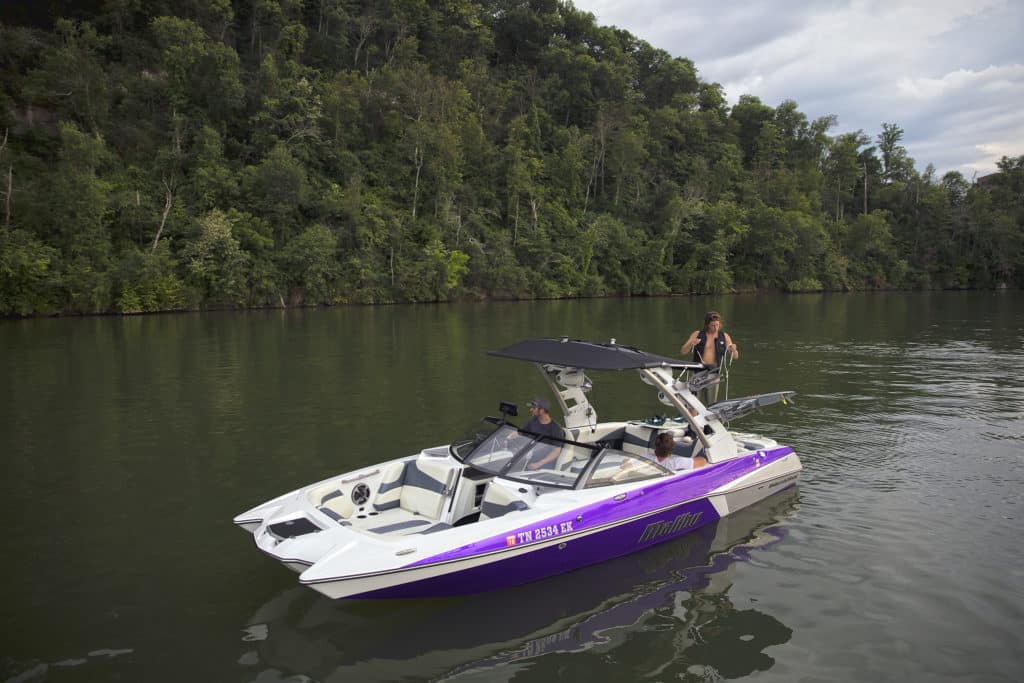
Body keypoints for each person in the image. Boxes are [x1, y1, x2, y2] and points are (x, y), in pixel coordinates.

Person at [680, 311, 738, 405]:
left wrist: (734, 350)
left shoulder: (724, 336)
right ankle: (692, 418)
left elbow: (735, 357)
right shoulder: (697, 334)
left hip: (714, 374)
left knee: (712, 404)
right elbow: (683, 351)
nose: (715, 328)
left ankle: (709, 418)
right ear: (707, 324)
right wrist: (691, 343)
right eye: (712, 325)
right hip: (698, 372)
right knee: (693, 403)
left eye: (717, 325)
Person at [521, 397, 564, 470]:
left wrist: (538, 464)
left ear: (542, 410)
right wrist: (507, 437)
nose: (530, 410)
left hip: (542, 465)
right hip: (527, 458)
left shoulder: (556, 428)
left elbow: (556, 451)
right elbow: (520, 432)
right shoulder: (532, 421)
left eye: (534, 408)